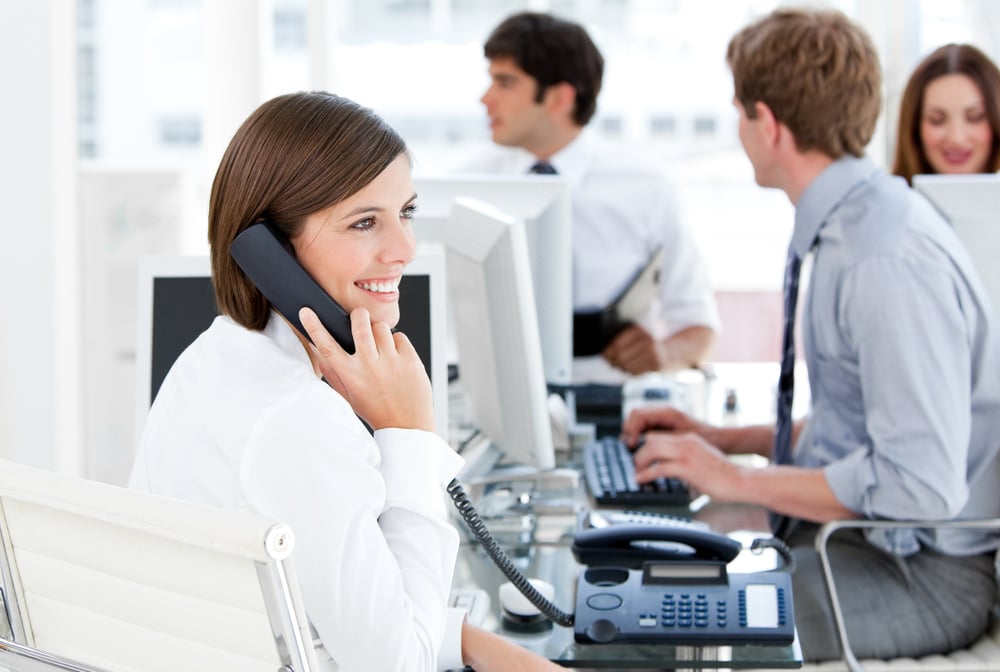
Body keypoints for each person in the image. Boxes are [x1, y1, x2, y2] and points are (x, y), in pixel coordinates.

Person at [128, 91, 561, 672]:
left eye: (405, 212)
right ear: (266, 252)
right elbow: (399, 665)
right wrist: (409, 433)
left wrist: (476, 643)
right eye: (364, 223)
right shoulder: (298, 419)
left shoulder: (212, 358)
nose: (404, 249)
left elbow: (343, 615)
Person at [620, 8, 1000, 662]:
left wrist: (737, 481)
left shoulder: (885, 256)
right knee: (634, 584)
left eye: (740, 111)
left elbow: (917, 485)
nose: (739, 129)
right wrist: (722, 442)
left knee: (660, 634)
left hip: (921, 576)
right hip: (866, 547)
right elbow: (859, 432)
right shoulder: (854, 225)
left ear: (767, 124)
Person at [470, 11, 719, 383]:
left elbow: (699, 329)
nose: (485, 98)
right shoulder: (467, 185)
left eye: (505, 82)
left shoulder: (648, 187)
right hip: (493, 405)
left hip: (613, 411)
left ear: (558, 98)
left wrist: (663, 353)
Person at [893, 43, 1000, 184]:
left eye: (975, 117)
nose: (957, 139)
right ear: (914, 128)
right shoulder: (886, 203)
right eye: (937, 120)